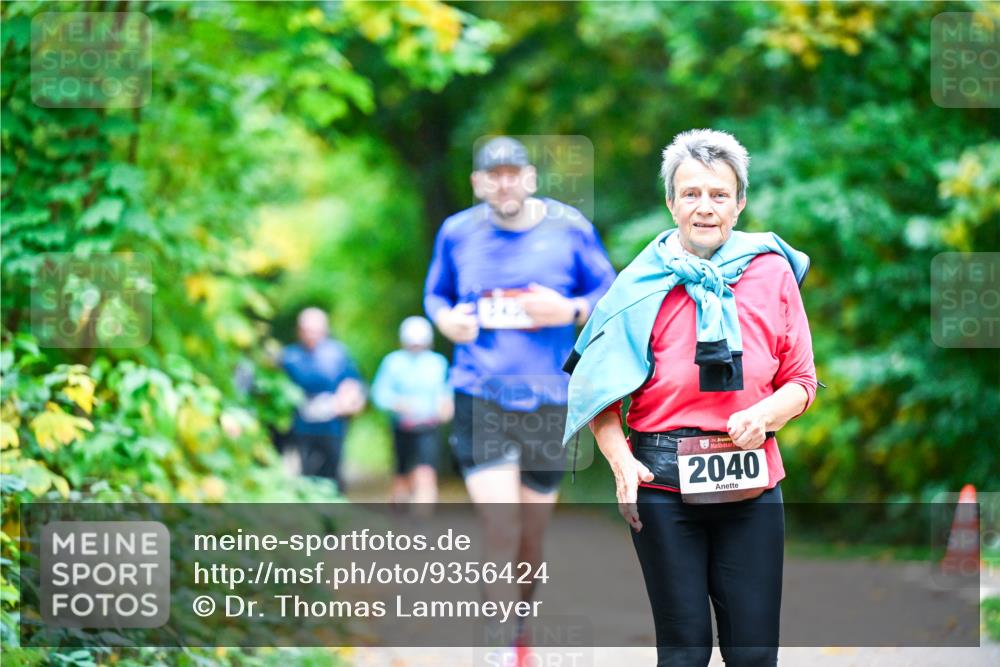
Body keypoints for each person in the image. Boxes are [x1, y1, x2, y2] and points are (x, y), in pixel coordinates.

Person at [564, 129, 817, 667]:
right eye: (692, 193)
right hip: (659, 483)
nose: (705, 207)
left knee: (753, 656)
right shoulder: (636, 286)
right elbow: (598, 394)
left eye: (719, 194)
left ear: (740, 202)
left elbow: (801, 381)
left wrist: (765, 413)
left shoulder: (772, 272)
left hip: (751, 481)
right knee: (683, 654)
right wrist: (621, 464)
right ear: (671, 202)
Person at [424, 136, 616, 656]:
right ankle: (497, 640)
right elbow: (435, 295)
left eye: (513, 173)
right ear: (478, 183)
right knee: (501, 523)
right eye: (494, 174)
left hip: (548, 399)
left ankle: (520, 624)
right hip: (479, 393)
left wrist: (571, 310)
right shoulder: (456, 232)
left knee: (531, 536)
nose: (504, 182)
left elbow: (609, 292)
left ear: (530, 178)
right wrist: (447, 320)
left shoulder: (570, 228)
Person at [280, 307, 366, 492]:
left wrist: (350, 399)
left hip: (332, 425)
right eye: (306, 329)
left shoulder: (338, 354)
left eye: (315, 329)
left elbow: (354, 383)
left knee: (333, 474)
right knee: (306, 475)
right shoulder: (289, 356)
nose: (311, 334)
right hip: (301, 427)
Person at [371, 316, 453, 507]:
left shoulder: (437, 363)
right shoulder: (393, 362)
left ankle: (422, 525)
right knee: (402, 476)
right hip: (402, 427)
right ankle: (399, 517)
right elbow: (379, 393)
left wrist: (446, 405)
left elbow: (445, 391)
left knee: (426, 473)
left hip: (429, 426)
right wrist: (396, 403)